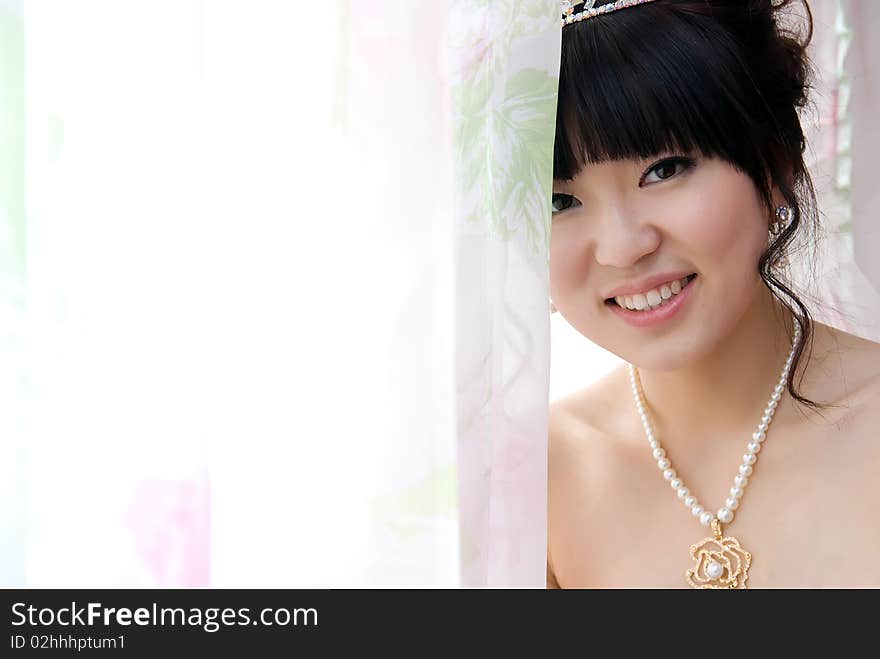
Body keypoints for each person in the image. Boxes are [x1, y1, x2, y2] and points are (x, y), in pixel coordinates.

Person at [546, 0, 880, 588]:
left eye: (665, 169)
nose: (623, 247)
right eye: (558, 202)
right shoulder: (529, 479)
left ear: (775, 165)